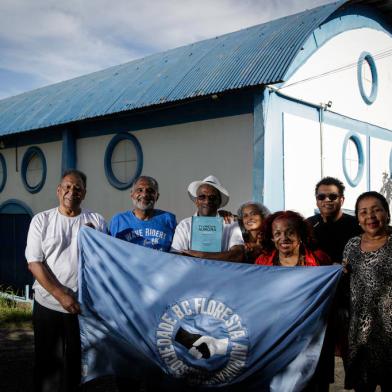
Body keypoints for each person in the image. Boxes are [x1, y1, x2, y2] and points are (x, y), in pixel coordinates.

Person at [25, 170, 106, 392]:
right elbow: (34, 263)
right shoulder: (42, 220)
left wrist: (94, 240)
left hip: (80, 307)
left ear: (85, 193)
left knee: (76, 362)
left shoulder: (96, 221)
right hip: (48, 304)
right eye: (68, 187)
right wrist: (61, 295)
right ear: (59, 190)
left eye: (78, 188)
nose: (72, 191)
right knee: (47, 362)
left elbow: (102, 263)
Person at [307, 177, 361, 391]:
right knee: (320, 360)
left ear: (342, 199)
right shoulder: (308, 225)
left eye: (332, 196)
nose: (327, 200)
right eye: (322, 196)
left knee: (354, 360)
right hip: (320, 302)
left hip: (349, 301)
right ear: (317, 200)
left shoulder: (355, 224)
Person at [342, 191, 392, 391]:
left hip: (390, 334)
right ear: (358, 219)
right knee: (363, 386)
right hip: (361, 334)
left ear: (387, 214)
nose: (370, 216)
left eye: (376, 210)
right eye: (363, 212)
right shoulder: (352, 245)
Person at [171, 175, 244, 261]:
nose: (207, 201)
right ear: (196, 201)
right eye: (202, 197)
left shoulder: (230, 223)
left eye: (212, 198)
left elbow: (238, 255)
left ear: (219, 202)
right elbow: (176, 257)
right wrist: (221, 256)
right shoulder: (185, 225)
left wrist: (202, 255)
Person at [109, 175, 176, 252]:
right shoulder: (118, 220)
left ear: (157, 196)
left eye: (150, 191)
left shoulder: (169, 219)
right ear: (132, 194)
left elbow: (176, 254)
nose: (144, 195)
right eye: (140, 190)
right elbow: (109, 251)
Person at [255, 210, 330, 266]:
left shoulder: (319, 258)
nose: (284, 238)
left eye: (290, 233)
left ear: (300, 235)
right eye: (277, 234)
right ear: (272, 238)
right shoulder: (262, 261)